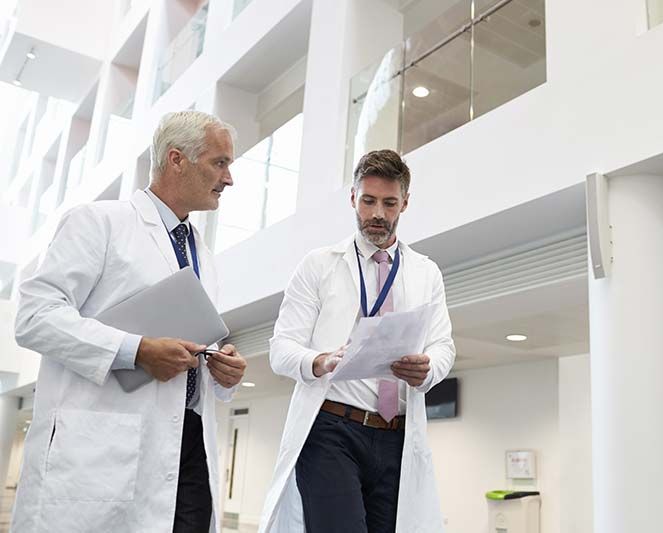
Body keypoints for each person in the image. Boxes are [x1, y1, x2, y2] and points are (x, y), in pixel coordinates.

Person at [12, 111, 247, 533]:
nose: (229, 179)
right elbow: (35, 314)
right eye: (219, 162)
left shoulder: (203, 256)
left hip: (188, 446)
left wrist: (222, 372)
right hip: (106, 446)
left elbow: (191, 345)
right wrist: (135, 350)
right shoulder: (99, 222)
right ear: (177, 159)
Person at [259, 149, 456, 532]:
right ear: (353, 198)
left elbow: (443, 345)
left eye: (389, 202)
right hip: (332, 430)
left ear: (405, 203)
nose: (378, 213)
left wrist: (428, 369)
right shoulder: (319, 265)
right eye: (368, 201)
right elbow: (281, 349)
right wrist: (321, 361)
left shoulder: (425, 272)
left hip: (396, 435)